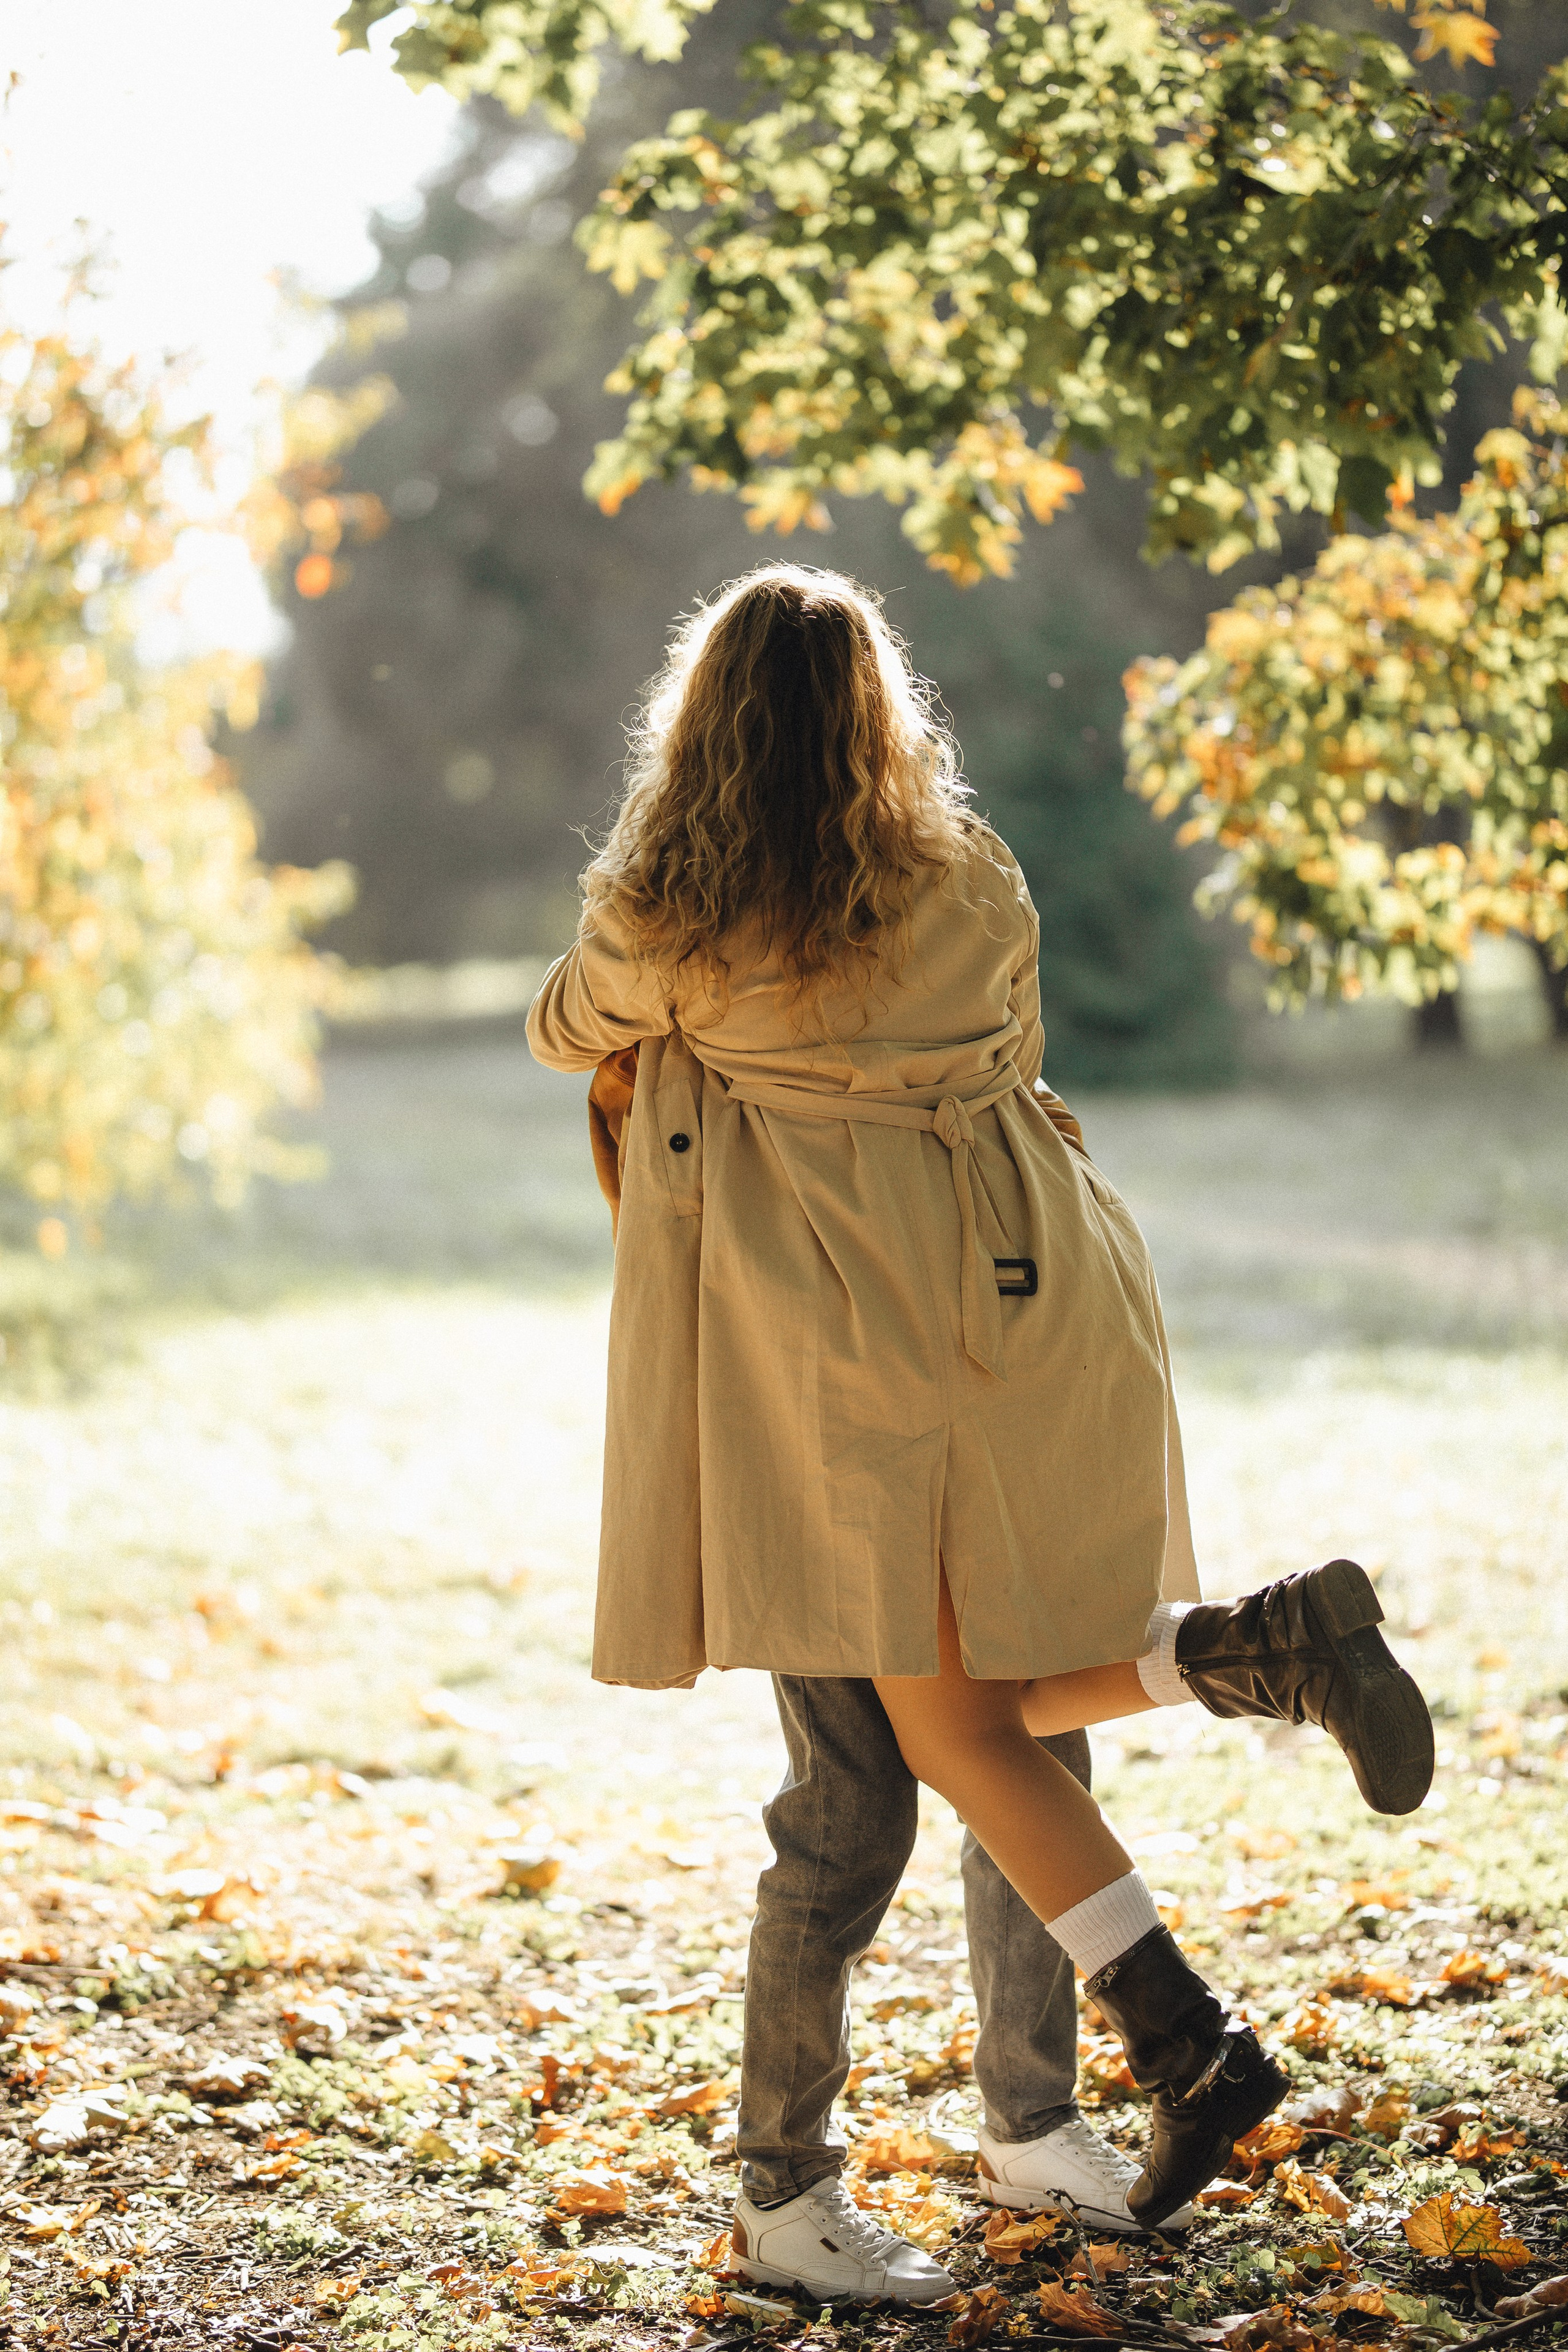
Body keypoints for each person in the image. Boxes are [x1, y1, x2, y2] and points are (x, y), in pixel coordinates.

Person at [527, 566, 1434, 2308]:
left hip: (833, 1377)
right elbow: (1010, 1047)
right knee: (997, 1711)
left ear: (700, 723)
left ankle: (1106, 2077)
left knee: (904, 1764)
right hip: (1031, 1303)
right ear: (880, 715)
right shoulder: (968, 873)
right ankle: (1247, 1662)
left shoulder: (674, 918)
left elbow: (568, 1024)